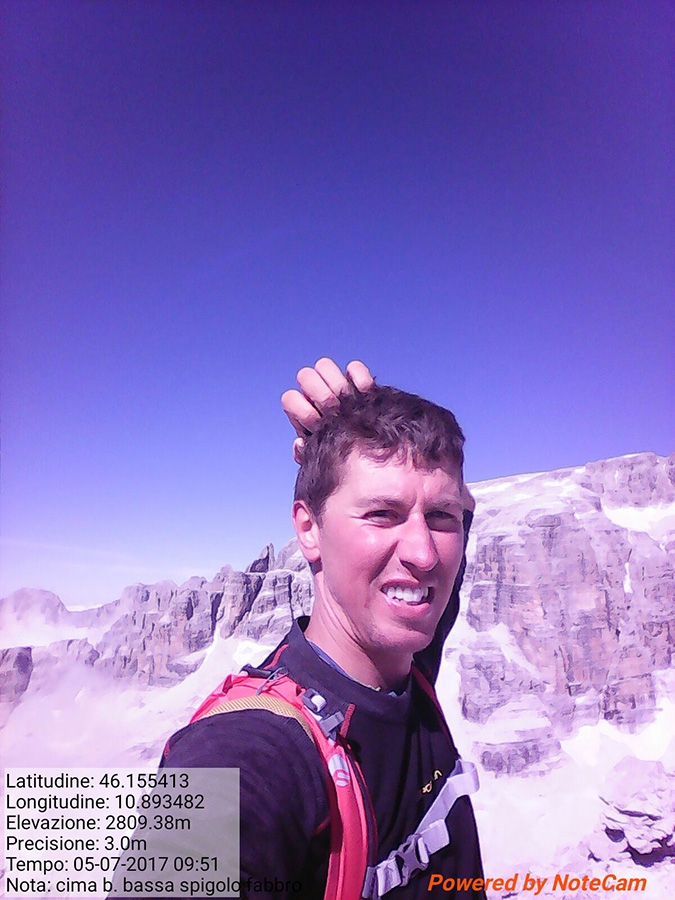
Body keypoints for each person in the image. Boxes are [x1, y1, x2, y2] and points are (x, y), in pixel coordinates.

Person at [161, 359, 485, 899]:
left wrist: (347, 428)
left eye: (442, 516)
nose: (425, 554)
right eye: (382, 513)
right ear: (308, 529)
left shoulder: (408, 655)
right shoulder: (246, 749)